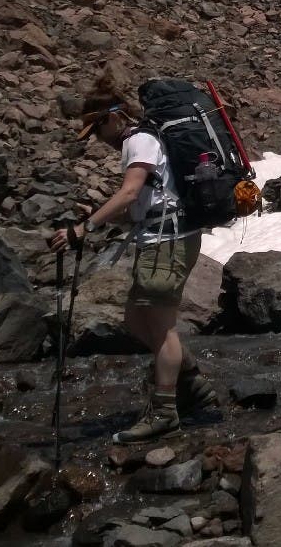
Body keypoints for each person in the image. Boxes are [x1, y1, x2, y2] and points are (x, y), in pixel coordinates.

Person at [48, 75, 219, 444]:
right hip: (163, 239)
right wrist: (97, 213)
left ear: (114, 117)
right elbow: (142, 200)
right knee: (135, 319)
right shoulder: (143, 138)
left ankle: (165, 412)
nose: (99, 139)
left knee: (160, 329)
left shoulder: (138, 140)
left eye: (98, 129)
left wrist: (84, 228)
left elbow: (129, 194)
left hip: (166, 242)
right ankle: (191, 383)